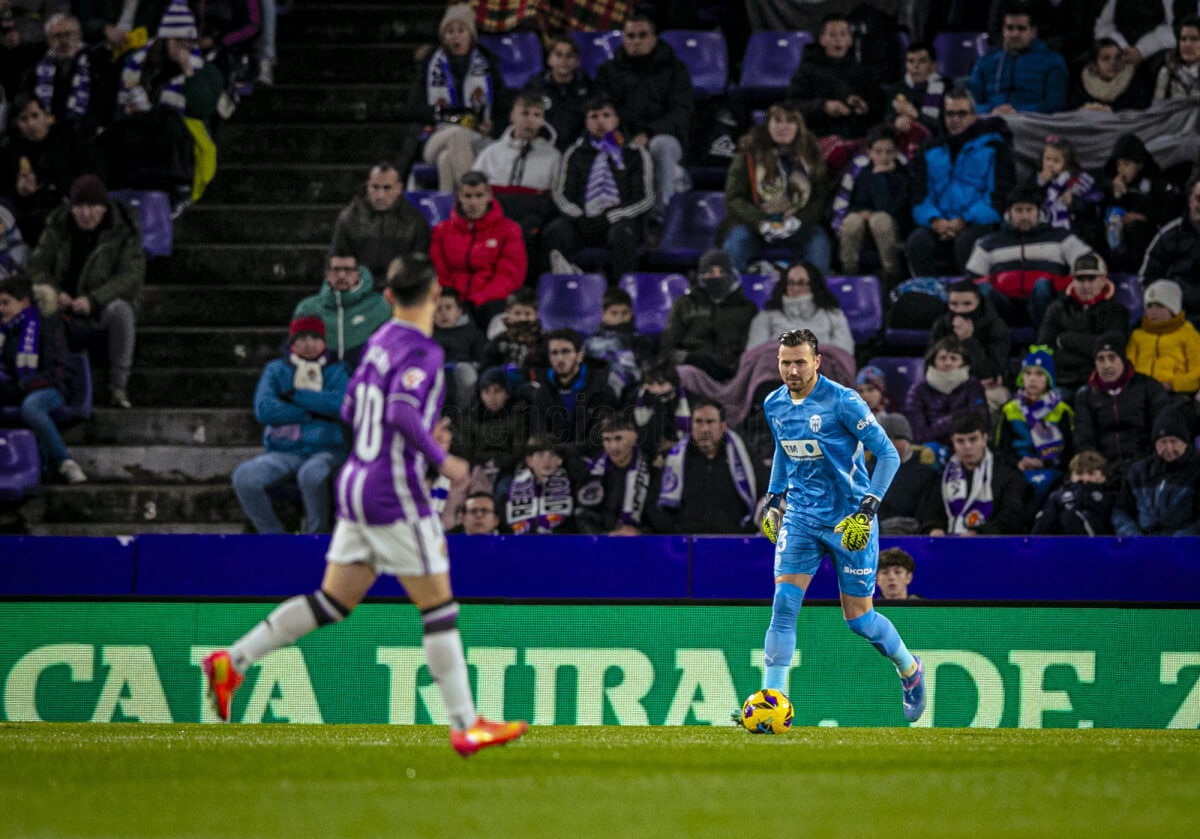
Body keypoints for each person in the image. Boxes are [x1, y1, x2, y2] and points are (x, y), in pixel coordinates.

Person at [202, 252, 530, 756]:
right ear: (435, 296)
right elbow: (400, 409)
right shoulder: (422, 351)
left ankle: (235, 661)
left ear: (389, 298)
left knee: (333, 601)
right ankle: (466, 725)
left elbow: (355, 405)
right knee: (439, 607)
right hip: (391, 489)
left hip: (355, 479)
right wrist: (443, 461)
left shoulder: (377, 342)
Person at [755, 328, 924, 722]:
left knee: (860, 620)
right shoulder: (774, 404)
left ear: (816, 361)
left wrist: (867, 512)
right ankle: (771, 703)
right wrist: (774, 499)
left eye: (799, 361)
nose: (792, 369)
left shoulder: (844, 401)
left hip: (850, 521)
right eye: (785, 362)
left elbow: (887, 455)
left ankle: (910, 669)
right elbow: (784, 449)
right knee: (783, 606)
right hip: (800, 516)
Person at [27, 174, 143, 409]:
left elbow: (130, 277)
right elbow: (37, 267)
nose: (86, 214)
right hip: (63, 309)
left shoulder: (124, 231)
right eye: (80, 207)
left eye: (93, 207)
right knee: (40, 306)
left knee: (122, 310)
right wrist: (55, 292)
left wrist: (94, 300)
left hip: (100, 310)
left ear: (103, 208)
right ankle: (56, 386)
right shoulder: (58, 225)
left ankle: (118, 387)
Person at [232, 316, 348, 535]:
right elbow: (264, 408)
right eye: (302, 338)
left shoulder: (338, 370)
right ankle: (273, 536)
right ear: (292, 343)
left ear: (324, 342)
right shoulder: (276, 370)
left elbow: (339, 405)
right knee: (244, 477)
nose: (309, 344)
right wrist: (313, 412)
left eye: (315, 338)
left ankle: (317, 535)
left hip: (328, 450)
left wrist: (294, 395)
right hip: (284, 451)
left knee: (311, 474)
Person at [593, 12, 693, 222]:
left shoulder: (675, 68)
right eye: (630, 36)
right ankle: (605, 216)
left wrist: (648, 133)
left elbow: (681, 112)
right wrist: (621, 135)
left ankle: (660, 216)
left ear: (654, 38)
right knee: (605, 143)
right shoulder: (609, 70)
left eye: (642, 35)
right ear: (623, 39)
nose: (636, 41)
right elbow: (600, 109)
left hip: (662, 136)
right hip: (623, 135)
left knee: (661, 146)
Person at [908, 87, 1015, 277]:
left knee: (966, 241)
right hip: (939, 223)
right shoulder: (929, 150)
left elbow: (997, 198)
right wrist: (935, 220)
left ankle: (970, 297)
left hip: (976, 222)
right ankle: (926, 294)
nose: (955, 119)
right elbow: (920, 197)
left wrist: (963, 220)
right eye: (950, 114)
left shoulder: (994, 147)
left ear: (974, 116)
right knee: (918, 241)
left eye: (962, 114)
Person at [544, 95, 653, 283]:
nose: (600, 121)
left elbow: (646, 198)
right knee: (555, 231)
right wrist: (578, 216)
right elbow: (561, 193)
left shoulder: (634, 153)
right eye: (594, 116)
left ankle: (620, 296)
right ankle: (557, 291)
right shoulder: (575, 152)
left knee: (621, 235)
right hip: (582, 220)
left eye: (606, 115)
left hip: (619, 220)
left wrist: (612, 215)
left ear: (616, 120)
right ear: (586, 122)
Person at [719, 102, 830, 274]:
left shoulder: (812, 156)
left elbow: (819, 199)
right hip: (755, 227)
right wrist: (761, 222)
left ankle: (817, 295)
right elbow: (734, 199)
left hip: (798, 227)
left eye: (790, 121)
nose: (783, 127)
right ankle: (733, 297)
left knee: (819, 242)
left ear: (798, 126)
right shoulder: (747, 155)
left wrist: (799, 220)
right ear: (768, 125)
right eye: (777, 121)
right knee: (736, 242)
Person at [964, 184, 1093, 327]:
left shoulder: (1061, 237)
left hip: (1047, 305)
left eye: (1029, 210)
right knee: (982, 290)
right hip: (1004, 306)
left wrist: (1062, 285)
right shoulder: (989, 242)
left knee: (1042, 285)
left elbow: (1091, 263)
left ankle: (1044, 344)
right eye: (1019, 210)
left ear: (1039, 212)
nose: (1024, 216)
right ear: (1009, 213)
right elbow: (973, 277)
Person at [409, 3, 506, 193]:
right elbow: (413, 108)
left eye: (461, 30)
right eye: (450, 31)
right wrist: (442, 115)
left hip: (478, 137)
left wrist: (492, 125)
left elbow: (504, 108)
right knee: (457, 134)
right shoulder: (430, 64)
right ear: (443, 36)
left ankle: (455, 216)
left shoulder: (488, 65)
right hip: (436, 137)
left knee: (446, 160)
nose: (455, 36)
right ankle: (475, 198)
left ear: (470, 35)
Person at [0, 272, 85, 483]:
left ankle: (65, 462)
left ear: (24, 302)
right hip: (19, 389)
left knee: (31, 406)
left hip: (51, 389)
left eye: (5, 302)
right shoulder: (5, 332)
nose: (1, 309)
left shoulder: (48, 325)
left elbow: (57, 370)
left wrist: (23, 387)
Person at [471, 91, 562, 285]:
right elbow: (473, 188)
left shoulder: (553, 156)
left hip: (531, 217)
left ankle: (522, 292)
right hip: (495, 214)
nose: (530, 121)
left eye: (537, 115)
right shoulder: (491, 153)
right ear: (513, 116)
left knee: (525, 234)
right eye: (525, 113)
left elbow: (555, 195)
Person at [0, 91, 101, 245]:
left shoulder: (69, 140)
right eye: (24, 119)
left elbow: (93, 176)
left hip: (66, 208)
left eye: (35, 116)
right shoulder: (11, 150)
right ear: (17, 124)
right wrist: (19, 191)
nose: (31, 124)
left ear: (47, 116)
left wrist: (51, 187)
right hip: (23, 215)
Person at [652, 396, 761, 535]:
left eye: (710, 422)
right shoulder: (674, 458)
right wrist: (673, 532)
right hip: (685, 547)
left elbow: (765, 495)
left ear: (723, 426)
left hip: (734, 544)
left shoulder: (744, 456)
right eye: (698, 422)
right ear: (691, 425)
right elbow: (655, 503)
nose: (704, 429)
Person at [430, 171, 526, 327]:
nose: (473, 202)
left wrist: (479, 299)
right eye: (468, 196)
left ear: (489, 196)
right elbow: (439, 270)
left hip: (490, 302)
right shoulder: (441, 231)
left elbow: (509, 275)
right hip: (455, 301)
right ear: (459, 196)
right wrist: (455, 299)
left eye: (479, 195)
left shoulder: (509, 230)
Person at [1074, 330, 1170, 479]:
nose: (1107, 365)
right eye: (1101, 359)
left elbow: (1162, 426)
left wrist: (1145, 461)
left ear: (1123, 359)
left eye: (1112, 357)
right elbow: (1084, 438)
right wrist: (1098, 466)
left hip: (1145, 465)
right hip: (1104, 469)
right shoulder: (1085, 396)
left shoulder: (1148, 386)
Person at [659, 249, 757, 382]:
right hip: (690, 370)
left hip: (733, 374)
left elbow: (750, 349)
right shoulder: (685, 304)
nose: (717, 277)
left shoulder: (746, 309)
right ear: (700, 276)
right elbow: (667, 347)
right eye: (710, 272)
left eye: (722, 272)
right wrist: (690, 359)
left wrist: (734, 366)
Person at [1037, 253, 1131, 392]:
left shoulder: (1117, 311)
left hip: (1098, 383)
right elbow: (1043, 350)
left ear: (1103, 280)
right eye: (1080, 279)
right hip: (1060, 380)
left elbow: (1112, 354)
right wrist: (1089, 354)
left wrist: (1065, 340)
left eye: (1091, 278)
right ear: (1072, 281)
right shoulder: (1057, 308)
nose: (1086, 285)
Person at [995, 346, 1074, 509]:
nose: (1032, 379)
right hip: (1017, 467)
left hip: (1051, 468)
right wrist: (1018, 462)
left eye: (1039, 374)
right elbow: (1002, 448)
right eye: (1028, 373)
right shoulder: (1009, 410)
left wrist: (1044, 463)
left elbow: (1069, 451)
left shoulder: (1062, 411)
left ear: (1048, 379)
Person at [926, 410, 1028, 535]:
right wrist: (934, 529)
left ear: (984, 439)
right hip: (948, 546)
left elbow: (1013, 516)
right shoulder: (943, 475)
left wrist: (980, 533)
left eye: (973, 439)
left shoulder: (1007, 474)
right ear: (953, 442)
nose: (967, 447)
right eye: (960, 441)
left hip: (992, 548)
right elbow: (929, 512)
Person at [117, 1, 224, 120]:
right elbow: (123, 102)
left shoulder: (205, 70)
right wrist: (130, 109)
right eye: (178, 40)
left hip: (181, 130)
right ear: (165, 39)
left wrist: (188, 71)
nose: (183, 46)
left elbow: (202, 109)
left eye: (189, 41)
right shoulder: (141, 62)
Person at [329, 161, 431, 284]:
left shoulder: (416, 221)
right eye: (375, 187)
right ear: (368, 187)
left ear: (398, 188)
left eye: (387, 188)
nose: (380, 195)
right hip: (358, 290)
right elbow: (337, 260)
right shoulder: (349, 219)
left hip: (401, 292)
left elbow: (419, 268)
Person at [786, 13, 880, 145]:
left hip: (857, 141)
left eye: (843, 34)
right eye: (832, 35)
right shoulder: (807, 71)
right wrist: (823, 107)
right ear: (822, 39)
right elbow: (792, 107)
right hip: (818, 140)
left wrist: (864, 107)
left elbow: (879, 106)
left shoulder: (864, 72)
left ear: (850, 40)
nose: (838, 40)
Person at [832, 124, 911, 280]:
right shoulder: (860, 171)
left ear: (896, 152)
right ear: (869, 153)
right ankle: (849, 274)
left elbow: (890, 207)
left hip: (893, 228)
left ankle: (891, 274)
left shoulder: (903, 174)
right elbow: (853, 203)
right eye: (878, 152)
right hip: (862, 224)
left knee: (880, 220)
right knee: (851, 222)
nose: (883, 157)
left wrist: (880, 177)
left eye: (889, 152)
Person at [521, 327, 617, 453]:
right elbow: (539, 436)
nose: (560, 358)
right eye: (554, 353)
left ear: (579, 355)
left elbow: (601, 439)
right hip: (552, 462)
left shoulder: (601, 391)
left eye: (566, 351)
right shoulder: (542, 394)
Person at [291, 252, 389, 370]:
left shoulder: (380, 305)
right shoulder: (308, 308)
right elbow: (294, 349)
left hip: (365, 382)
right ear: (327, 273)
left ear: (358, 272)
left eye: (348, 270)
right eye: (336, 270)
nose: (342, 275)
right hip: (320, 382)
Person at [1112, 408, 1200, 535]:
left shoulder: (1196, 471)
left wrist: (1180, 541)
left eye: (1174, 441)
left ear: (1185, 443)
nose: (1169, 448)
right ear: (1155, 444)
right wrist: (1133, 537)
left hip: (1184, 549)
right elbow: (1120, 511)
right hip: (1143, 547)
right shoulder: (1138, 472)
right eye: (1163, 442)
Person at [968, 4, 1068, 115]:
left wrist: (1018, 112)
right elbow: (971, 101)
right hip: (991, 118)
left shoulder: (1052, 61)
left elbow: (1055, 104)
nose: (1015, 34)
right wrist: (991, 112)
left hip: (1032, 121)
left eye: (1021, 29)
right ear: (1003, 31)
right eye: (1010, 28)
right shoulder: (986, 61)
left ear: (1033, 32)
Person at [1102, 134, 1180, 273]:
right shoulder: (1114, 184)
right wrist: (1117, 196)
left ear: (1139, 165)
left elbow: (1170, 211)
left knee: (1136, 230)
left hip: (1151, 234)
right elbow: (1108, 212)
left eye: (1126, 164)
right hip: (1120, 237)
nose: (1121, 169)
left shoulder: (1156, 182)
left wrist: (1141, 217)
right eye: (1118, 164)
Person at [1127, 279, 1200, 423]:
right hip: (1141, 395)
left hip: (1175, 396)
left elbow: (1197, 371)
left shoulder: (1189, 334)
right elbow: (1128, 367)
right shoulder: (1137, 336)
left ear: (1172, 308)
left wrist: (1172, 384)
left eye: (1159, 306)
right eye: (1149, 306)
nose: (1153, 311)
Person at [745, 261, 853, 357]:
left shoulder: (833, 315)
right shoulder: (765, 317)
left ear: (814, 285)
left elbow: (843, 357)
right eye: (791, 283)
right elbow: (753, 358)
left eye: (801, 283)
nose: (795, 288)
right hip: (775, 374)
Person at [574, 413, 659, 535]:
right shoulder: (593, 470)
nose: (613, 447)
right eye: (607, 440)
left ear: (633, 437)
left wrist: (641, 532)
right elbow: (584, 512)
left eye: (618, 438)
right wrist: (608, 536)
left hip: (641, 541)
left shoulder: (651, 470)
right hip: (602, 542)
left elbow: (659, 517)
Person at [26, 13, 109, 130]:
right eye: (56, 36)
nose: (63, 40)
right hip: (50, 130)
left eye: (68, 34)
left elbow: (104, 104)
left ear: (79, 35)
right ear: (48, 41)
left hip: (87, 130)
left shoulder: (98, 61)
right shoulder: (38, 67)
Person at [905, 336, 990, 447]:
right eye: (942, 358)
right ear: (933, 361)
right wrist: (954, 420)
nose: (948, 363)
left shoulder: (973, 386)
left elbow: (981, 422)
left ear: (963, 362)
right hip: (930, 448)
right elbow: (919, 435)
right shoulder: (918, 389)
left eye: (954, 358)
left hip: (966, 445)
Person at [929, 279, 1011, 386]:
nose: (960, 310)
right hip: (947, 386)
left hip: (985, 389)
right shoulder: (942, 325)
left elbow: (991, 372)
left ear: (979, 303)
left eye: (967, 304)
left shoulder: (995, 327)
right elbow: (931, 366)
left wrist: (968, 340)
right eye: (954, 304)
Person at [1140, 175, 1200, 316]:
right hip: (1177, 316)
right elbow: (1147, 278)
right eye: (1199, 199)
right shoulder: (1169, 235)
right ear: (1190, 201)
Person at [457, 366, 526, 483]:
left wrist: (496, 463)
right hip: (476, 473)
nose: (492, 398)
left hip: (510, 473)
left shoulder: (519, 413)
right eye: (486, 392)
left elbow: (519, 452)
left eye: (497, 391)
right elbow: (466, 452)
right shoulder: (471, 415)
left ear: (507, 393)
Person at [874, 413, 939, 535]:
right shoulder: (869, 471)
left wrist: (921, 527)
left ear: (909, 441)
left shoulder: (926, 474)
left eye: (897, 438)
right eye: (886, 439)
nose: (891, 444)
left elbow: (930, 511)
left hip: (916, 538)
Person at [525, 34, 592, 152]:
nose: (563, 60)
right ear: (549, 59)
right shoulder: (535, 88)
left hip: (579, 151)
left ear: (577, 61)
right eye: (558, 55)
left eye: (569, 56)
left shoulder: (588, 87)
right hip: (541, 151)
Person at [502, 435, 578, 534]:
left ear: (560, 460)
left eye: (552, 455)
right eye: (541, 455)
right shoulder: (510, 487)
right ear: (529, 461)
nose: (547, 460)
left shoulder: (572, 485)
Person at [1031, 450, 1116, 535]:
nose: (1084, 478)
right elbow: (1041, 528)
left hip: (1099, 543)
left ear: (1103, 477)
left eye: (1091, 473)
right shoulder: (1058, 496)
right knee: (1066, 516)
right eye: (1079, 473)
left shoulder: (1110, 496)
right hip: (1061, 544)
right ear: (1071, 475)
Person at [1032, 136, 1102, 234]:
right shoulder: (1036, 178)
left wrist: (1074, 201)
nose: (1050, 164)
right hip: (1045, 229)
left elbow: (1093, 207)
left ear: (1067, 163)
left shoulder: (1078, 180)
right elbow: (1029, 199)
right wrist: (1041, 184)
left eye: (1056, 161)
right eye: (1047, 159)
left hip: (1075, 229)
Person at [584, 287, 647, 393]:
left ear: (631, 312)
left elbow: (646, 367)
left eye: (625, 313)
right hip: (597, 390)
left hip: (630, 391)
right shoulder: (591, 342)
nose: (620, 318)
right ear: (603, 314)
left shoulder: (639, 340)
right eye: (614, 313)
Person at [625, 359, 690, 462]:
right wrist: (658, 407)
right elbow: (644, 440)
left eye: (661, 383)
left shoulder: (685, 399)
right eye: (649, 383)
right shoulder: (635, 400)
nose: (655, 388)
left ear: (672, 383)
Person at [884, 41, 945, 141]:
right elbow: (887, 118)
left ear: (933, 66)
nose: (915, 66)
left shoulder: (945, 89)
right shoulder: (896, 89)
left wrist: (916, 115)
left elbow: (944, 126)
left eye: (922, 61)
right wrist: (896, 120)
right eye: (911, 61)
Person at [1094, 0, 1177, 70]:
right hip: (1120, 50)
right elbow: (1102, 27)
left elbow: (1175, 30)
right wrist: (1123, 47)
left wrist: (1140, 50)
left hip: (1154, 52)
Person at [1071, 37, 1149, 111]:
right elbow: (1072, 109)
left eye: (1117, 57)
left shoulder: (1134, 80)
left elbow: (1140, 110)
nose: (1113, 63)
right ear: (1094, 64)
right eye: (1106, 58)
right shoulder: (1083, 83)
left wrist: (1113, 111)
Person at [482, 287, 543, 371]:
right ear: (507, 313)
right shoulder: (498, 341)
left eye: (527, 314)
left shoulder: (542, 342)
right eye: (517, 313)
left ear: (536, 315)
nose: (522, 318)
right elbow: (486, 370)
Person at [1153, 15, 1200, 100]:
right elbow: (1157, 108)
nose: (1188, 45)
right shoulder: (1166, 73)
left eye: (1194, 39)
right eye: (1183, 39)